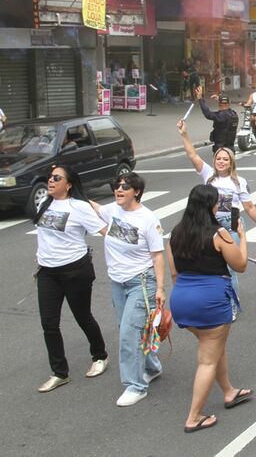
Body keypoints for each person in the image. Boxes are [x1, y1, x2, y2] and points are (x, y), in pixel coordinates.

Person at [167, 185, 252, 433]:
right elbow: (241, 264)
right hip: (210, 300)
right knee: (207, 360)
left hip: (182, 297)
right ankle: (194, 417)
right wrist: (242, 237)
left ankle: (228, 391)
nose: (218, 206)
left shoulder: (177, 232)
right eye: (216, 203)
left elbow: (174, 272)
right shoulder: (220, 234)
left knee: (214, 347)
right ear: (209, 206)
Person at [34, 165, 109, 393]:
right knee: (49, 324)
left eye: (57, 177)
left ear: (68, 184)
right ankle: (59, 373)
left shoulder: (79, 207)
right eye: (50, 177)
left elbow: (106, 232)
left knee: (82, 316)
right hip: (47, 272)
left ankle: (100, 356)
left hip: (75, 270)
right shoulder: (44, 203)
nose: (51, 180)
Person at [93, 172, 166, 406]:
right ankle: (152, 367)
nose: (119, 189)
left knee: (128, 334)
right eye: (117, 185)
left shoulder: (148, 219)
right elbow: (92, 208)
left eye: (125, 186)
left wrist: (161, 288)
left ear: (137, 191)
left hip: (141, 283)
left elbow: (157, 256)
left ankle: (136, 385)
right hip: (117, 281)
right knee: (133, 330)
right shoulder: (112, 210)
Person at [177, 119, 256, 312]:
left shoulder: (239, 181)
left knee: (231, 269)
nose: (222, 162)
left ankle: (231, 305)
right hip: (209, 226)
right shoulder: (208, 175)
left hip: (230, 225)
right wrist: (185, 134)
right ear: (214, 161)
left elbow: (249, 206)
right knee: (210, 267)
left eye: (226, 159)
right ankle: (213, 300)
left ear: (231, 162)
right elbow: (192, 155)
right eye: (219, 158)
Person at [197, 89, 238, 154]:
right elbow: (226, 106)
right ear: (229, 103)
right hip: (231, 149)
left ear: (219, 104)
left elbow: (207, 114)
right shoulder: (234, 114)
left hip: (221, 149)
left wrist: (200, 99)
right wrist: (220, 99)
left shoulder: (221, 116)